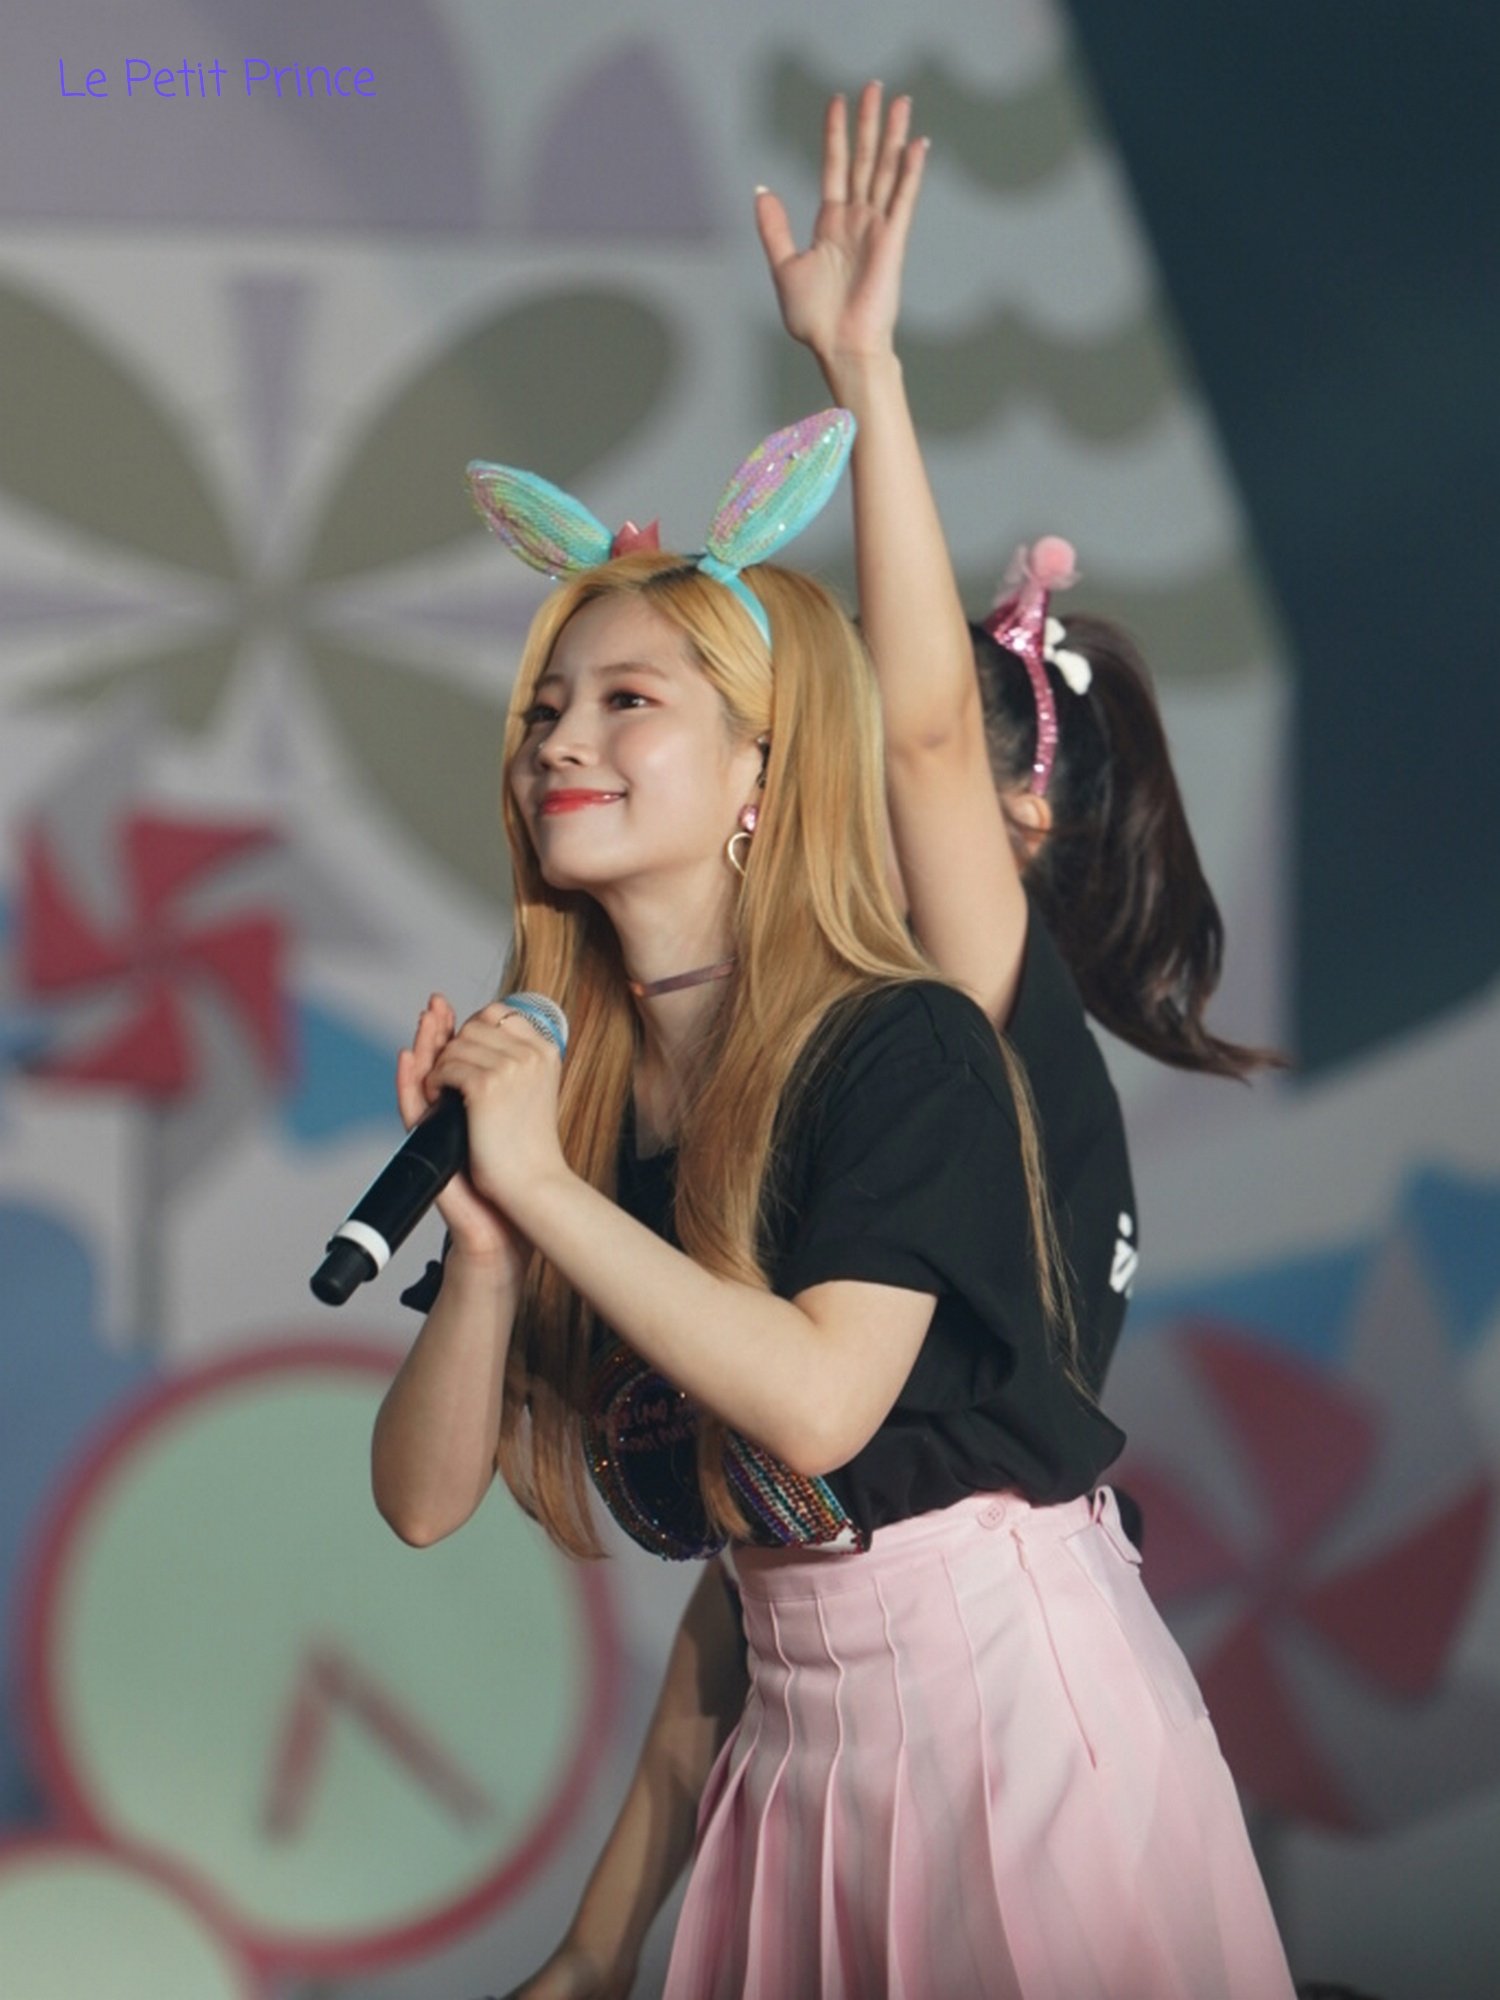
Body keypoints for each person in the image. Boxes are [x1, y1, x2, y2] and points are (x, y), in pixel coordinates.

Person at [373, 392, 1295, 1991]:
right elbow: (424, 1501)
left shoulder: (905, 1043)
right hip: (793, 1775)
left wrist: (541, 1185)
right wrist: (488, 1246)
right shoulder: (576, 1103)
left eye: (627, 702)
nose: (560, 745)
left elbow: (815, 1407)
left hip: (1012, 1738)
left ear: (765, 768)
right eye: (545, 712)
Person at [755, 85, 1283, 1402]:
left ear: (1021, 823)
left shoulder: (993, 1002)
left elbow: (927, 741)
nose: (814, 772)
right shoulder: (872, 1035)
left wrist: (862, 370)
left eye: (858, 740)